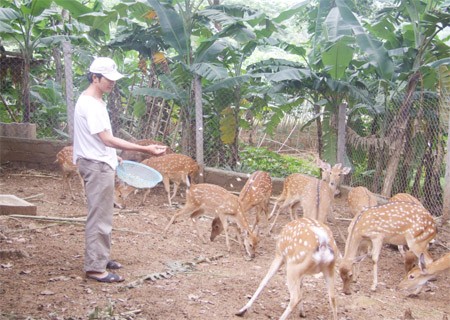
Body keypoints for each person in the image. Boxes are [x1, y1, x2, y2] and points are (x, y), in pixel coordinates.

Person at [73, 57, 167, 283]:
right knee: (99, 216)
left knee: (103, 213)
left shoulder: (93, 101)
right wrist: (145, 149)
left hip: (98, 161)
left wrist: (112, 156)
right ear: (95, 78)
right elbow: (107, 139)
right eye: (108, 79)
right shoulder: (91, 104)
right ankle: (95, 268)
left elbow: (94, 139)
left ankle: (100, 258)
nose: (112, 83)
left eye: (114, 79)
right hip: (96, 166)